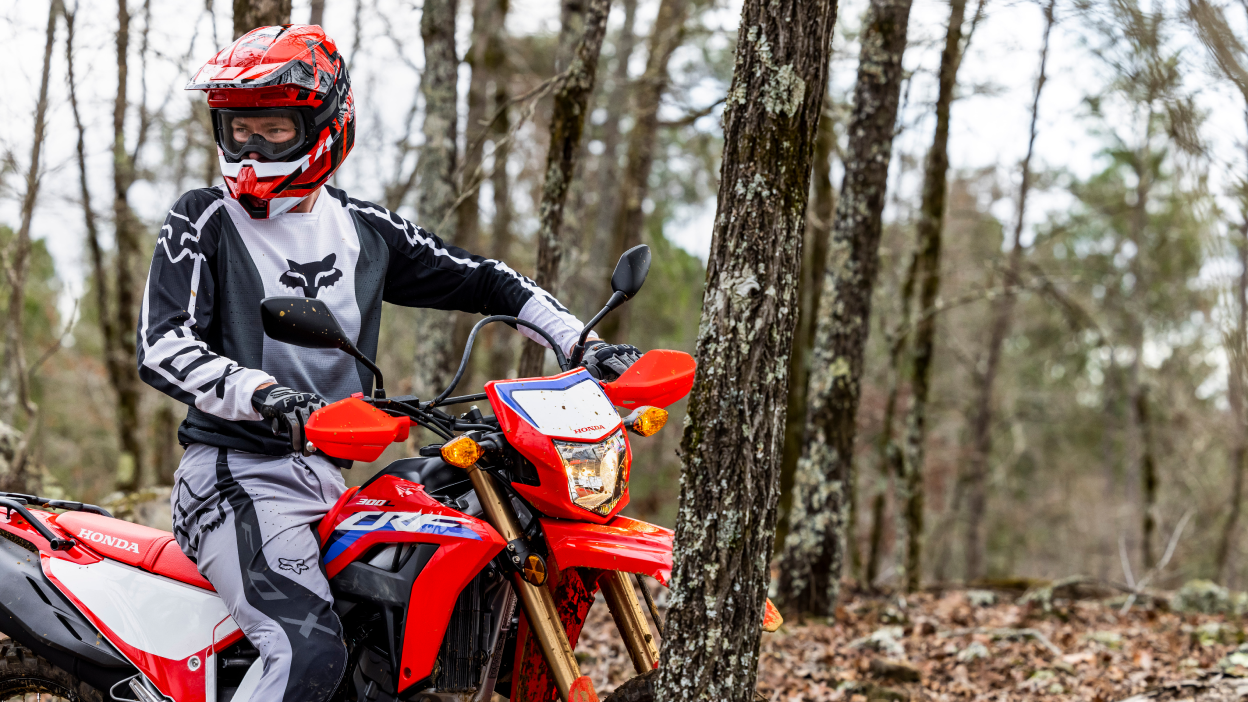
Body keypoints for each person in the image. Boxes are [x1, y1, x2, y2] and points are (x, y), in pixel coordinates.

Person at [139, 25, 641, 702]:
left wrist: (582, 344)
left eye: (274, 130)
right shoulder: (204, 219)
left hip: (326, 482)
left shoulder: (366, 232)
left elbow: (488, 282)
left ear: (326, 122)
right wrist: (264, 394)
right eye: (239, 130)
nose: (252, 149)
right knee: (308, 650)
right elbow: (162, 344)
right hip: (234, 479)